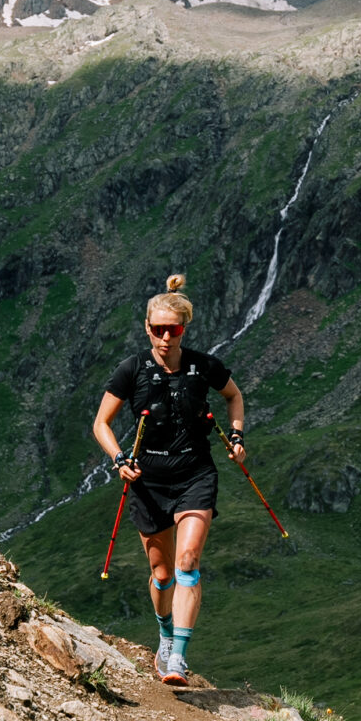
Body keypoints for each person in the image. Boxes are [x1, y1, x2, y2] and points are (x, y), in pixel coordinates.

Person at [92, 274, 248, 684]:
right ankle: (164, 634)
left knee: (188, 562)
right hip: (149, 481)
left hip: (196, 474)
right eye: (158, 330)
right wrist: (118, 458)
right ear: (147, 328)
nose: (165, 338)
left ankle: (177, 657)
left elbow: (234, 395)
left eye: (173, 330)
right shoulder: (132, 369)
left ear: (184, 329)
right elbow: (101, 424)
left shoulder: (203, 366)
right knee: (161, 574)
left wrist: (237, 436)